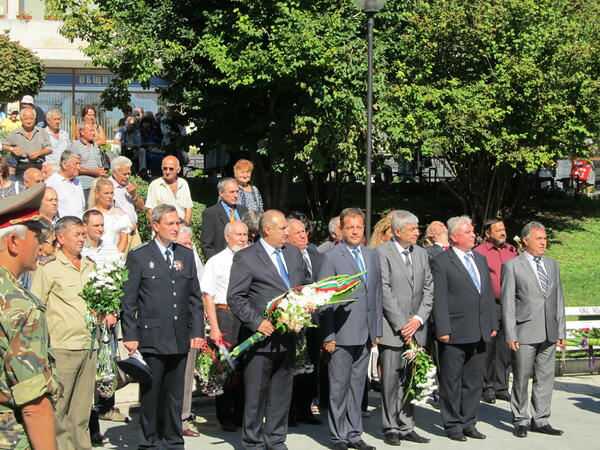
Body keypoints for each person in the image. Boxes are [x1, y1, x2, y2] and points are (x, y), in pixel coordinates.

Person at [121, 204, 204, 449]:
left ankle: (173, 439)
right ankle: (149, 441)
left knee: (175, 394)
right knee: (151, 393)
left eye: (178, 223)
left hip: (179, 335)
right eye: (170, 223)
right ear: (156, 226)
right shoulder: (140, 255)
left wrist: (197, 331)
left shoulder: (186, 255)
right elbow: (129, 300)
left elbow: (194, 299)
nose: (176, 228)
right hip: (152, 336)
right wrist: (130, 334)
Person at [228, 210, 310, 449]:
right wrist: (257, 322)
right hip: (260, 339)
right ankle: (252, 441)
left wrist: (304, 311)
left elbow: (304, 287)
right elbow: (235, 297)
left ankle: (275, 439)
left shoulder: (294, 253)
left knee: (282, 393)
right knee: (256, 394)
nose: (288, 232)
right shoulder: (247, 257)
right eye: (283, 228)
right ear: (267, 230)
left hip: (288, 336)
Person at [31, 216, 103, 450]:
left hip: (88, 345)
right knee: (59, 410)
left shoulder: (90, 266)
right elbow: (36, 308)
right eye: (77, 235)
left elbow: (97, 302)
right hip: (62, 347)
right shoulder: (49, 269)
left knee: (81, 411)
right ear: (60, 238)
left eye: (83, 235)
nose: (82, 239)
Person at [318, 207, 383, 450]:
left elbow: (376, 294)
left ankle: (355, 434)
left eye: (359, 227)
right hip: (341, 334)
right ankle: (338, 436)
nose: (355, 231)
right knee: (339, 388)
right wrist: (328, 334)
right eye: (350, 227)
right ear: (341, 230)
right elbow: (325, 300)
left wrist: (375, 329)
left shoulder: (372, 255)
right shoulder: (331, 257)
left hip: (364, 334)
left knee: (358, 387)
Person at [0, 183, 59, 449]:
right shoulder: (20, 307)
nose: (42, 245)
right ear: (14, 242)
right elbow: (33, 404)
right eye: (37, 237)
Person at [431, 215, 497, 441]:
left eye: (473, 231)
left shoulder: (479, 259)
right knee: (451, 381)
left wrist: (492, 322)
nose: (473, 235)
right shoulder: (441, 261)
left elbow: (486, 294)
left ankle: (469, 421)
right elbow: (439, 298)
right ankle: (453, 424)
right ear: (454, 236)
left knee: (474, 380)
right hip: (454, 331)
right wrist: (442, 328)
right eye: (468, 232)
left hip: (479, 330)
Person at [501, 221, 566, 438]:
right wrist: (510, 333)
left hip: (549, 330)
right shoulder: (512, 266)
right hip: (524, 331)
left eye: (545, 239)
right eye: (539, 239)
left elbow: (558, 300)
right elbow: (508, 303)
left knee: (546, 377)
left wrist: (561, 331)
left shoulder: (552, 265)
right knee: (521, 377)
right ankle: (521, 418)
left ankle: (541, 419)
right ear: (525, 240)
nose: (543, 243)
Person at [377, 210, 433, 446]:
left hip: (416, 329)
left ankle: (407, 424)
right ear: (398, 231)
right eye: (413, 229)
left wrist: (418, 319)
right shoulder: (381, 253)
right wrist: (402, 324)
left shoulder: (421, 254)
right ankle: (390, 425)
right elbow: (385, 291)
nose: (417, 232)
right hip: (393, 330)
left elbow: (429, 287)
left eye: (418, 228)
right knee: (391, 379)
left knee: (412, 378)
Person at [201, 221, 248, 432]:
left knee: (246, 367)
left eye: (245, 234)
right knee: (225, 368)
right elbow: (207, 296)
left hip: (247, 316)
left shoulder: (253, 259)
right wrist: (214, 327)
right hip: (225, 314)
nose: (243, 238)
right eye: (238, 234)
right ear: (227, 237)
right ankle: (225, 416)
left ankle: (242, 414)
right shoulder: (216, 262)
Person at [474, 218, 517, 404]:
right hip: (489, 304)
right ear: (488, 233)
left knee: (504, 347)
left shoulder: (512, 251)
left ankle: (501, 386)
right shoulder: (479, 252)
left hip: (510, 305)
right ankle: (487, 386)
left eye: (504, 229)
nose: (502, 232)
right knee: (488, 346)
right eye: (498, 230)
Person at [286, 217, 323, 426]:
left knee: (311, 367)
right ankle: (290, 412)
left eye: (304, 232)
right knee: (293, 368)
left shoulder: (315, 253)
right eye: (297, 232)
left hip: (315, 320)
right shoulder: (286, 255)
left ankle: (305, 410)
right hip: (294, 318)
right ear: (288, 236)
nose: (303, 235)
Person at [175, 225, 205, 437]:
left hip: (188, 324)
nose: (188, 247)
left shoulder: (193, 260)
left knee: (186, 374)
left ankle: (183, 419)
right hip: (166, 327)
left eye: (190, 243)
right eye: (184, 244)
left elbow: (200, 294)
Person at [201, 177, 249, 260]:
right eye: (232, 192)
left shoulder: (243, 210)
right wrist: (215, 264)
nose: (235, 195)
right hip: (222, 262)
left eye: (237, 192)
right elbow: (207, 244)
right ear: (221, 193)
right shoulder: (211, 213)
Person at [1, 108, 52, 179]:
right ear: (21, 119)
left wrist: (39, 152)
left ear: (35, 119)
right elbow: (1, 145)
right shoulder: (14, 134)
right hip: (21, 167)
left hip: (38, 166)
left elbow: (49, 149)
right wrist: (12, 149)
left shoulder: (42, 132)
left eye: (31, 119)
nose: (29, 121)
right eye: (26, 119)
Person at [110, 156, 145, 251]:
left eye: (129, 174)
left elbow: (142, 208)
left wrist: (134, 195)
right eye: (124, 174)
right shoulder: (108, 187)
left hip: (134, 231)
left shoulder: (129, 186)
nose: (127, 177)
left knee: (139, 261)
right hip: (119, 233)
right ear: (114, 173)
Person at [88, 178, 132, 255]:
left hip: (113, 258)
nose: (110, 196)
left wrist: (113, 259)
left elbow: (123, 241)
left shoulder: (121, 215)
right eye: (106, 193)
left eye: (111, 193)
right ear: (97, 194)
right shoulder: (87, 215)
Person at [145, 155, 193, 224]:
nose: (167, 172)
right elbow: (150, 211)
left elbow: (188, 208)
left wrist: (185, 227)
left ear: (178, 169)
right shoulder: (154, 185)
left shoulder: (183, 184)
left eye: (171, 169)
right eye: (165, 168)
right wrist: (156, 229)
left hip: (180, 229)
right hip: (162, 230)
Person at [68, 123, 106, 202]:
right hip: (82, 186)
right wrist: (94, 172)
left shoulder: (95, 145)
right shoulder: (75, 146)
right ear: (82, 132)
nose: (93, 133)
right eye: (91, 130)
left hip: (95, 186)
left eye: (94, 130)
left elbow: (98, 163)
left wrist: (102, 172)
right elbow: (73, 168)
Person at [45, 150, 85, 218]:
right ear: (64, 165)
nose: (79, 167)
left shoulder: (77, 181)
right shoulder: (52, 182)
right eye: (76, 164)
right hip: (63, 225)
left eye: (79, 164)